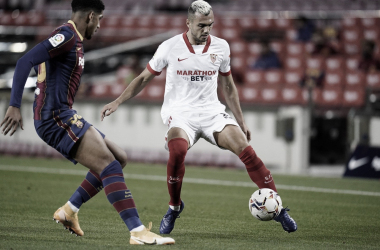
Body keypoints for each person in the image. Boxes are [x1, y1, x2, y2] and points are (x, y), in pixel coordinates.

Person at [101, 0, 297, 235]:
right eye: (201, 25)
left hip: (212, 112)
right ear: (188, 23)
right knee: (177, 152)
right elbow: (143, 78)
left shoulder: (222, 47)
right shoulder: (169, 47)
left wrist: (241, 122)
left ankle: (278, 208)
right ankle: (174, 207)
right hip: (181, 114)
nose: (206, 30)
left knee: (246, 149)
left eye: (210, 25)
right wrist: (117, 101)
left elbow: (229, 86)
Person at [0, 0, 174, 245]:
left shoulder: (72, 38)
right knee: (109, 166)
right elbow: (23, 62)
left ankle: (69, 211)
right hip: (54, 118)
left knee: (119, 157)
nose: (100, 25)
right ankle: (137, 231)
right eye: (100, 19)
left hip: (64, 114)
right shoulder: (67, 35)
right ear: (91, 16)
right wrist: (14, 104)